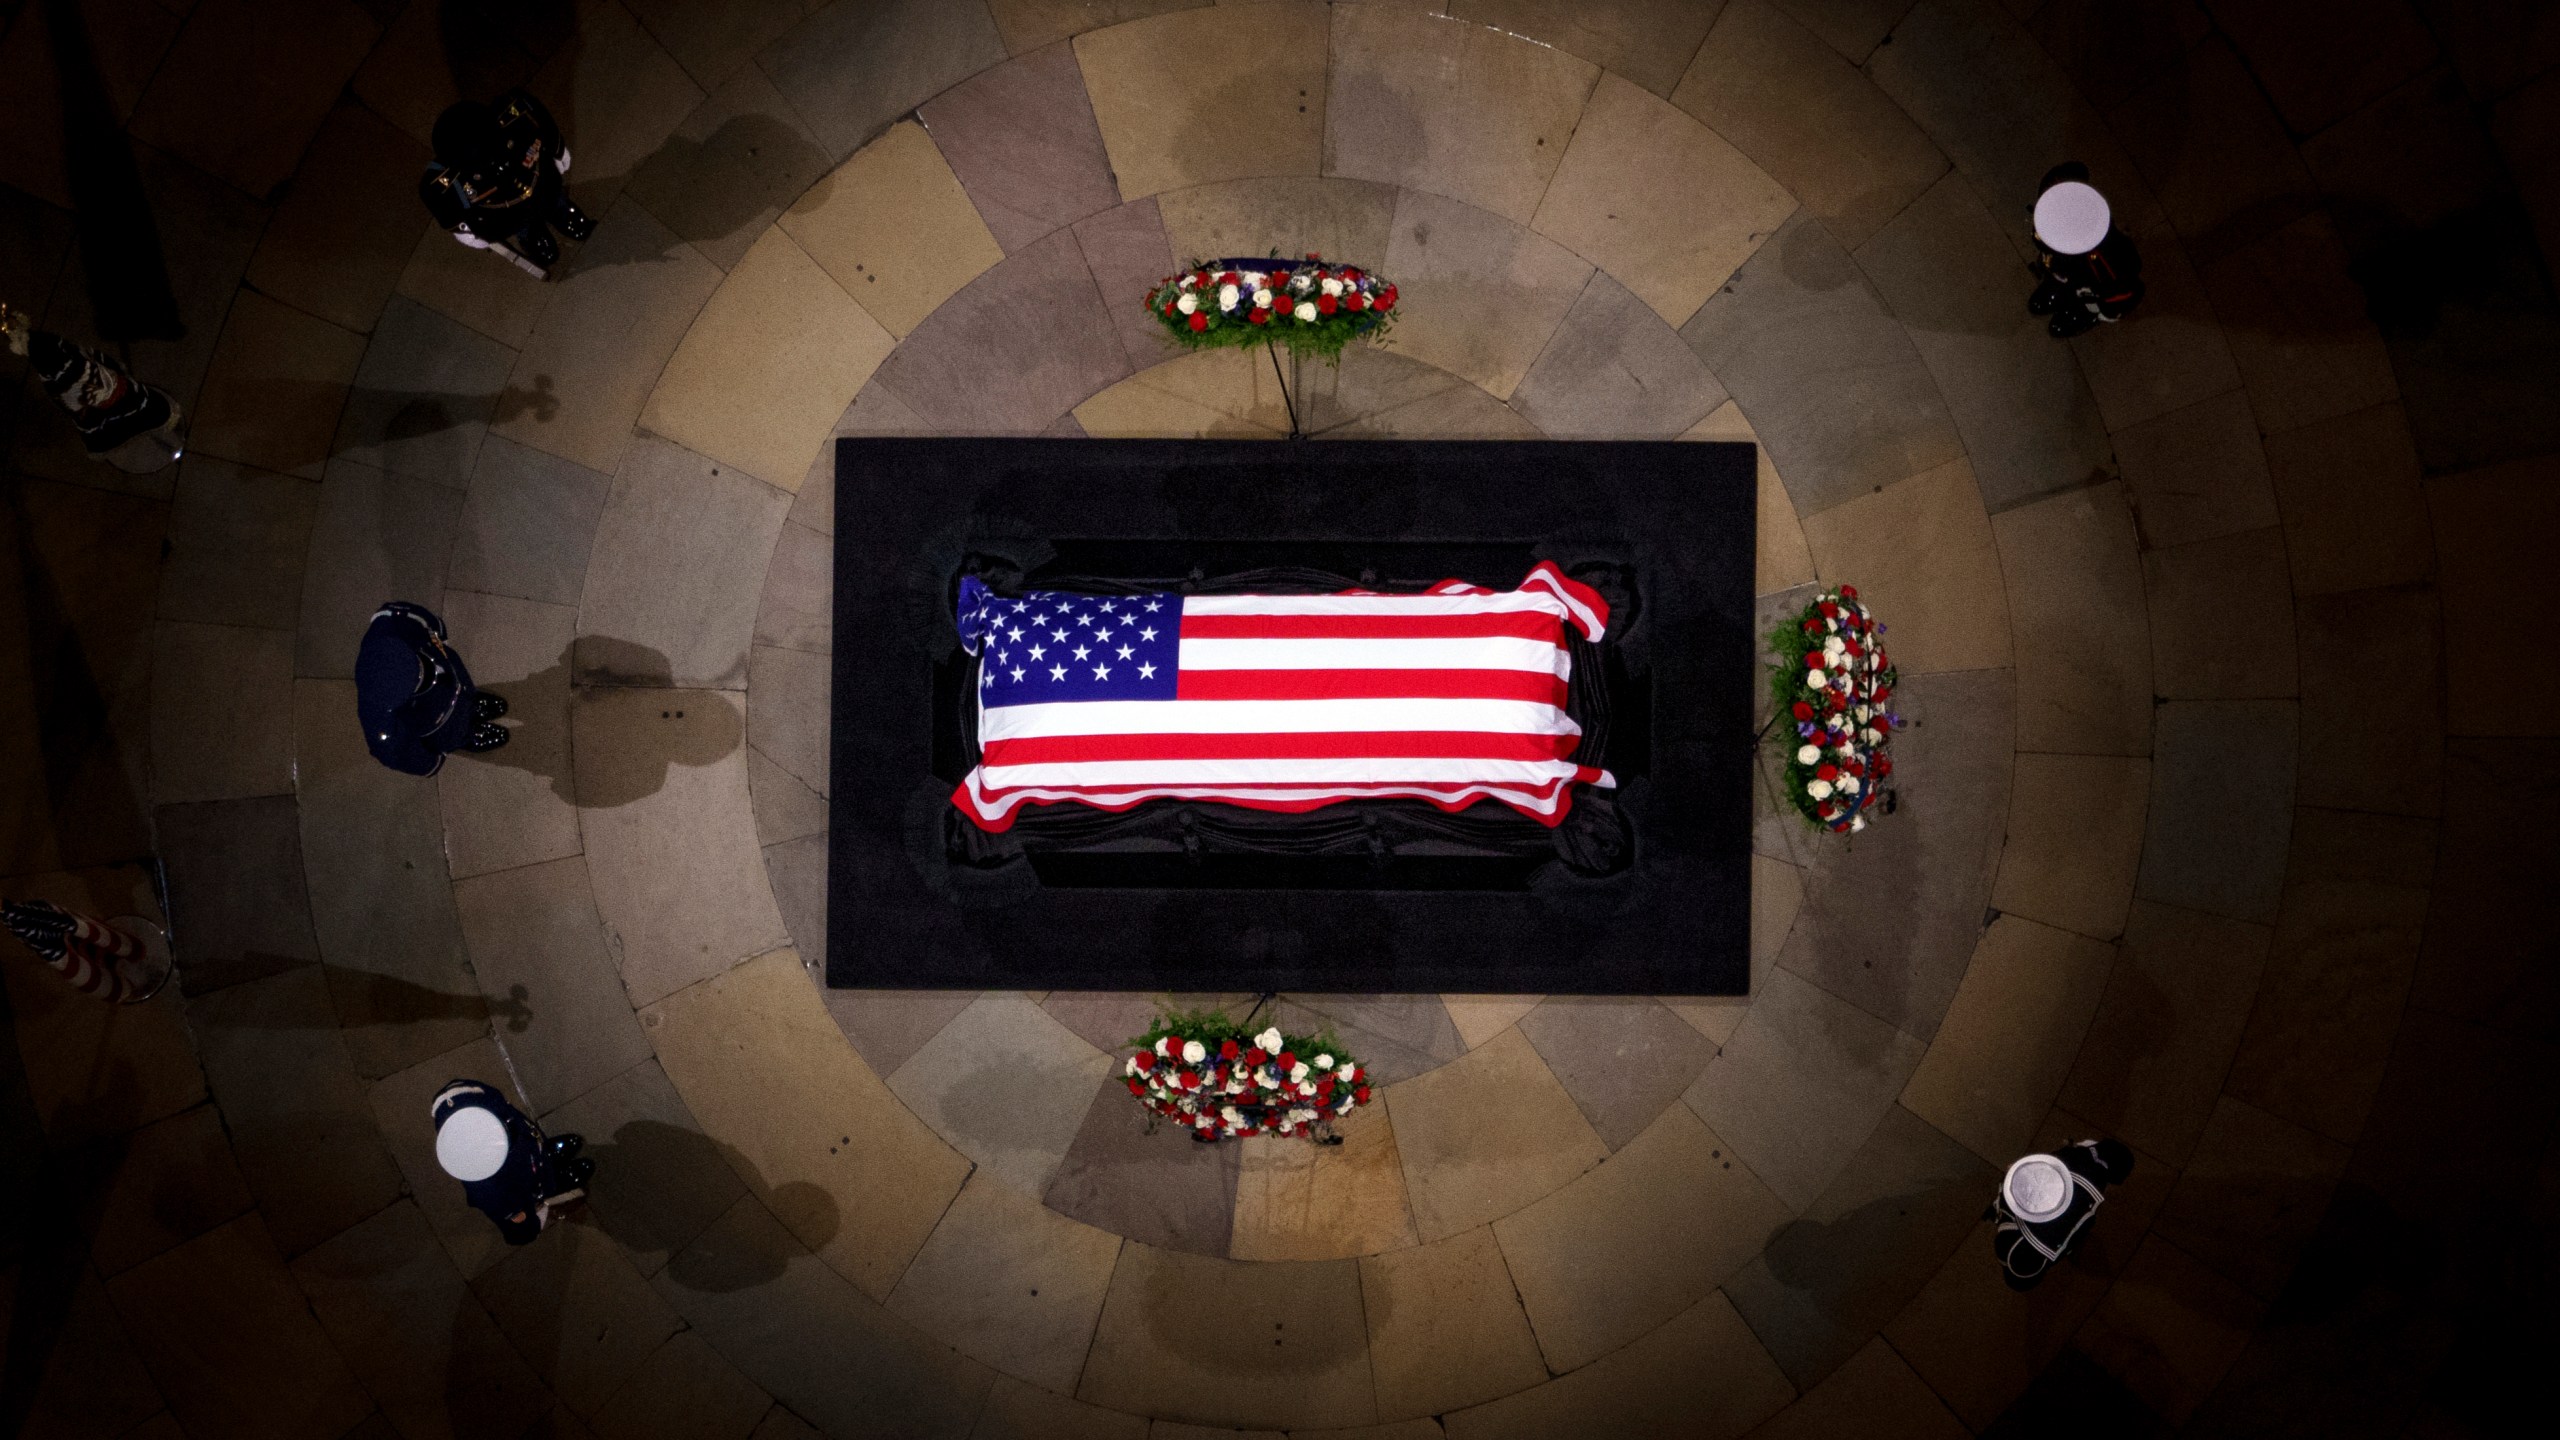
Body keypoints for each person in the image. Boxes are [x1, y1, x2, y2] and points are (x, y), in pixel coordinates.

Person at [419, 88, 595, 278]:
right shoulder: (446, 177)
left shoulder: (511, 114)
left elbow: (537, 114)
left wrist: (557, 148)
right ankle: (532, 233)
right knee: (522, 223)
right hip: (507, 213)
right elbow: (435, 198)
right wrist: (463, 230)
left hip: (539, 181)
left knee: (552, 197)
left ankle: (561, 211)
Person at [2, 299, 183, 456]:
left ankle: (139, 415)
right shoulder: (54, 360)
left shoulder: (52, 357)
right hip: (97, 389)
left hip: (99, 388)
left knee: (121, 400)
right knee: (121, 401)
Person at [431, 1078, 592, 1246]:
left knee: (538, 1153)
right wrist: (536, 1218)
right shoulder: (493, 1196)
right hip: (532, 1179)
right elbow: (520, 1228)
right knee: (547, 1178)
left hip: (530, 1155)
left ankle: (546, 1158)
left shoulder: (462, 1099)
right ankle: (552, 1184)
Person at [356, 601, 509, 775]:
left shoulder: (389, 626)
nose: (428, 674)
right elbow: (395, 753)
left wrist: (439, 637)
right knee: (451, 730)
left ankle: (470, 704)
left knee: (462, 690)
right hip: (432, 716)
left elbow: (410, 615)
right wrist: (433, 761)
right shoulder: (377, 719)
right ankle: (465, 735)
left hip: (450, 678)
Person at [1988, 1137, 2136, 1290]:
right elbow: (2065, 1238)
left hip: (2016, 1226)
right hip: (2026, 1253)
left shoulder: (2072, 1156)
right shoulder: (2090, 1193)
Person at [2027, 162, 2145, 339]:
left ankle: (2082, 310)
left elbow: (2122, 296)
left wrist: (2100, 311)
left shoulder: (2107, 264)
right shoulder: (2056, 190)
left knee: (2059, 327)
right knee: (2045, 293)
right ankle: (2057, 284)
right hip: (2062, 271)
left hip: (2086, 289)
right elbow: (2076, 170)